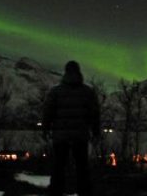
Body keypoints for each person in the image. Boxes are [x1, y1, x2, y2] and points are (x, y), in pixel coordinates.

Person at [42, 60, 100, 196]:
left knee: (58, 168)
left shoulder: (56, 92)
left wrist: (45, 129)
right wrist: (96, 132)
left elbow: (48, 112)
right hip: (80, 136)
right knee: (82, 168)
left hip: (60, 137)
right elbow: (94, 114)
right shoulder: (87, 92)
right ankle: (84, 192)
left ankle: (56, 192)